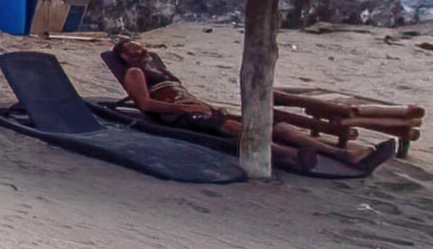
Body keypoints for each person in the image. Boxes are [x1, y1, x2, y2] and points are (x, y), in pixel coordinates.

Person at [103, 39, 393, 173]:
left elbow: (179, 96)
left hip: (194, 111)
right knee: (232, 128)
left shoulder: (158, 70)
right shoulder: (135, 73)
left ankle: (342, 154)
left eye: (137, 46)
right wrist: (185, 109)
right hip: (178, 118)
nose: (136, 50)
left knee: (276, 126)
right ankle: (290, 155)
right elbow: (146, 104)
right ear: (125, 57)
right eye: (129, 49)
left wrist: (204, 105)